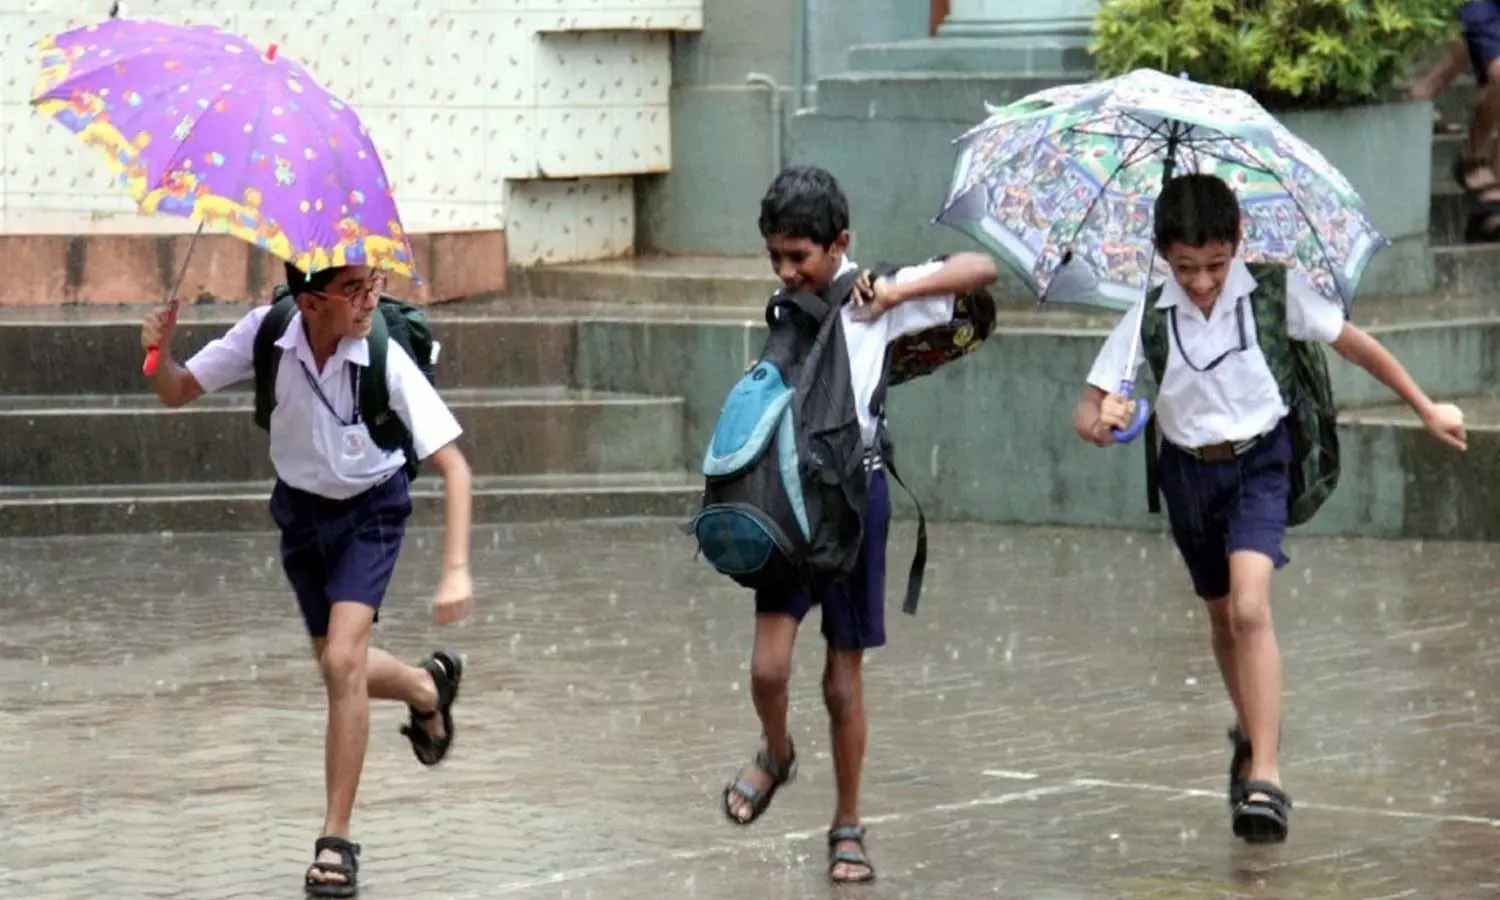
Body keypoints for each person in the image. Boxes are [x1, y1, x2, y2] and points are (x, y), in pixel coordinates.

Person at [1073, 173, 1468, 843]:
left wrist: (1426, 407)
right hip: (1187, 476)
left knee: (1251, 607)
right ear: (1163, 254)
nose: (1202, 281)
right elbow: (1085, 412)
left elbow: (1357, 345)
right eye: (1186, 267)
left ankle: (1267, 772)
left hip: (1261, 464)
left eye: (1216, 264)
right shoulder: (1146, 315)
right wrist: (1102, 421)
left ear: (1238, 243)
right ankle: (1250, 730)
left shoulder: (1275, 293)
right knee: (1222, 615)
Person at [141, 262, 476, 897]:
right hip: (301, 515)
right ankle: (427, 688)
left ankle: (336, 840)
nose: (369, 300)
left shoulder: (383, 357)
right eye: (353, 290)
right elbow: (177, 389)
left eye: (374, 283)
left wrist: (455, 568)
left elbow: (455, 468)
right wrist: (158, 351)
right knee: (336, 665)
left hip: (372, 511)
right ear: (310, 302)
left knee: (343, 661)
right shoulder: (267, 332)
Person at [719, 165, 998, 883]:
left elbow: (981, 269)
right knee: (767, 669)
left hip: (854, 502)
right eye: (775, 256)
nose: (786, 271)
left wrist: (897, 292)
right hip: (787, 502)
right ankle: (777, 751)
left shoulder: (875, 296)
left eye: (799, 256)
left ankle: (847, 822)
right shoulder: (786, 307)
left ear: (840, 242)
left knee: (842, 683)